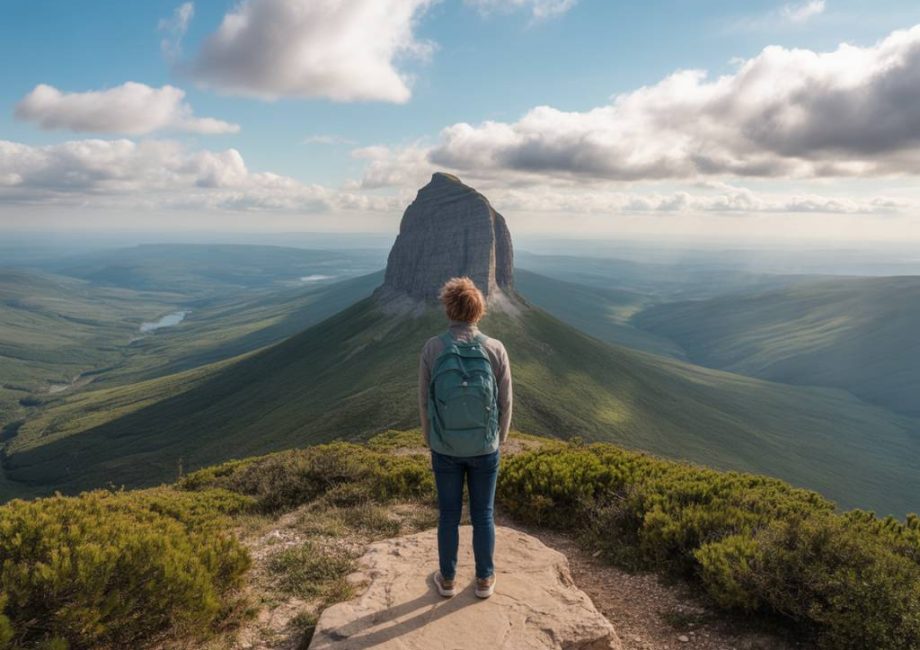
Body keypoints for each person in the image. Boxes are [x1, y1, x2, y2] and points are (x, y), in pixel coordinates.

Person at [418, 276, 513, 600]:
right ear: (479, 310)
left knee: (448, 514)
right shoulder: (495, 348)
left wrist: (431, 439)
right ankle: (484, 579)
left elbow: (424, 400)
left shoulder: (433, 347)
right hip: (485, 447)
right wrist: (497, 439)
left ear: (449, 308)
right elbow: (506, 402)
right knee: (483, 513)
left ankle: (447, 580)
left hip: (445, 446)